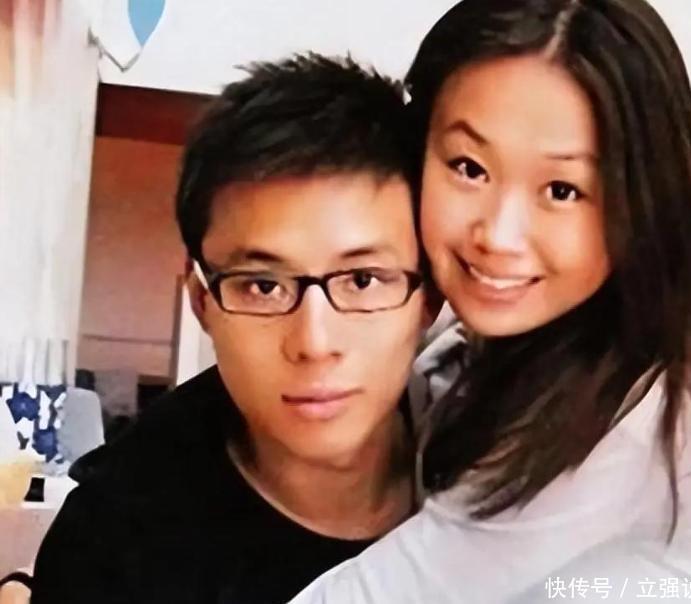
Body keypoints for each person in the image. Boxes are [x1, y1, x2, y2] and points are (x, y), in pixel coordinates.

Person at [289, 1, 691, 602]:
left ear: (643, 204)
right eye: (469, 167)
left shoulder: (650, 419)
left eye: (562, 190)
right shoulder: (474, 345)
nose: (499, 236)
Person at [31, 54, 427, 604]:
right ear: (203, 303)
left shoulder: (502, 467)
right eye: (262, 286)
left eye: (362, 280)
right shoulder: (113, 546)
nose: (314, 343)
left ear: (430, 297)